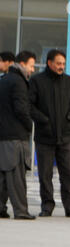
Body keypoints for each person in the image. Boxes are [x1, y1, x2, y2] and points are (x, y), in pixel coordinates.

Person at [29, 49, 70, 218]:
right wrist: (43, 120)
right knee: (45, 174)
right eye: (58, 63)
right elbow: (29, 105)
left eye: (63, 64)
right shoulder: (37, 81)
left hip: (65, 137)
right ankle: (47, 205)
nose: (61, 67)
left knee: (67, 173)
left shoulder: (69, 82)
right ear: (49, 63)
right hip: (44, 137)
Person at [0, 51, 36, 220]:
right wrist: (30, 126)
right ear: (22, 64)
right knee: (16, 176)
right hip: (15, 136)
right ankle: (21, 210)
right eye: (31, 65)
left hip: (3, 134)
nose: (33, 69)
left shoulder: (4, 80)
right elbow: (21, 109)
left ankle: (1, 208)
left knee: (3, 176)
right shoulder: (19, 82)